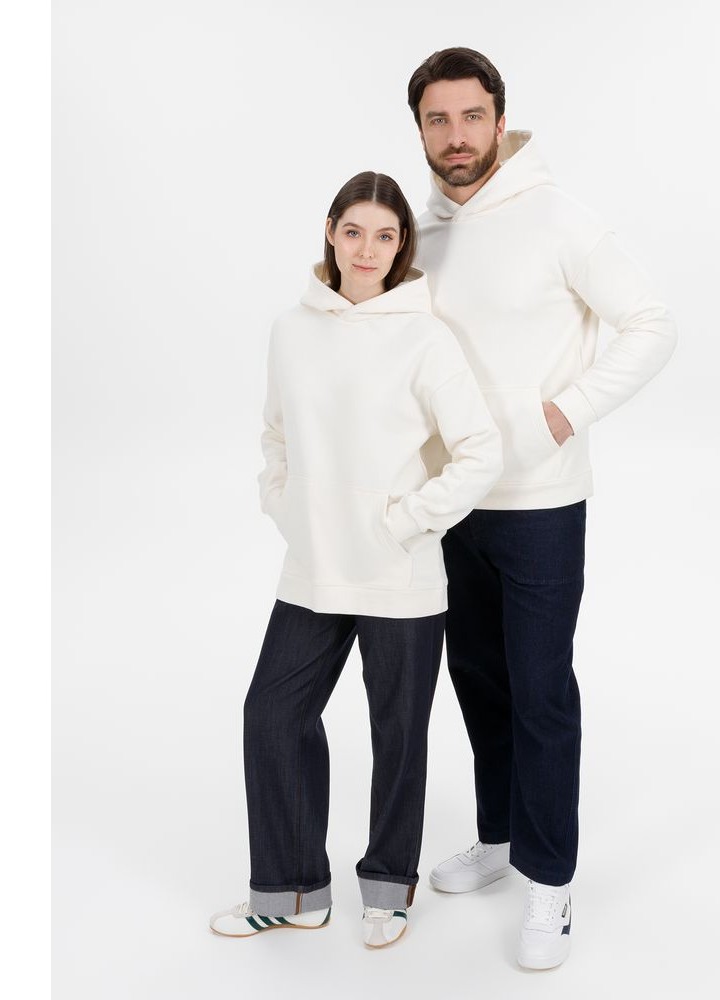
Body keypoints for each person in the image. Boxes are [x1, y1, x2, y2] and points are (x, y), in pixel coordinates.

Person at [406, 48, 678, 970]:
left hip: (541, 504)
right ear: (421, 130)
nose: (456, 136)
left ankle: (550, 881)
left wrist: (563, 412)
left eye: (470, 116)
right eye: (438, 120)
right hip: (453, 504)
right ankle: (499, 836)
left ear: (499, 117)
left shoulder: (561, 217)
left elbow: (652, 323)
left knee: (540, 689)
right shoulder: (424, 234)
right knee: (478, 680)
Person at [208, 171, 503, 949]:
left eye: (385, 235)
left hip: (398, 571)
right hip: (314, 566)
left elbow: (479, 451)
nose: (367, 249)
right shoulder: (291, 329)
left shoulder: (425, 337)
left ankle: (387, 888)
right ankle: (292, 890)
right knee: (272, 714)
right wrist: (283, 503)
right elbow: (276, 433)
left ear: (401, 246)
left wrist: (404, 523)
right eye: (354, 231)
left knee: (397, 734)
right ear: (331, 233)